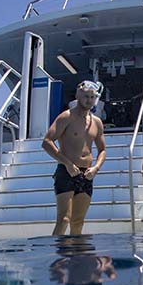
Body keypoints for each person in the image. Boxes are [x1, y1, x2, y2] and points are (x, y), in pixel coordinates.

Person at [43, 80, 107, 235]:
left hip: (87, 174)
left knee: (78, 221)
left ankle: (75, 257)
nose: (89, 100)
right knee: (64, 219)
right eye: (86, 96)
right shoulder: (67, 117)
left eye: (92, 97)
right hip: (67, 171)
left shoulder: (97, 122)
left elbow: (102, 150)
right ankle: (58, 257)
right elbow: (47, 142)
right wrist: (67, 164)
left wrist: (96, 168)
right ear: (78, 95)